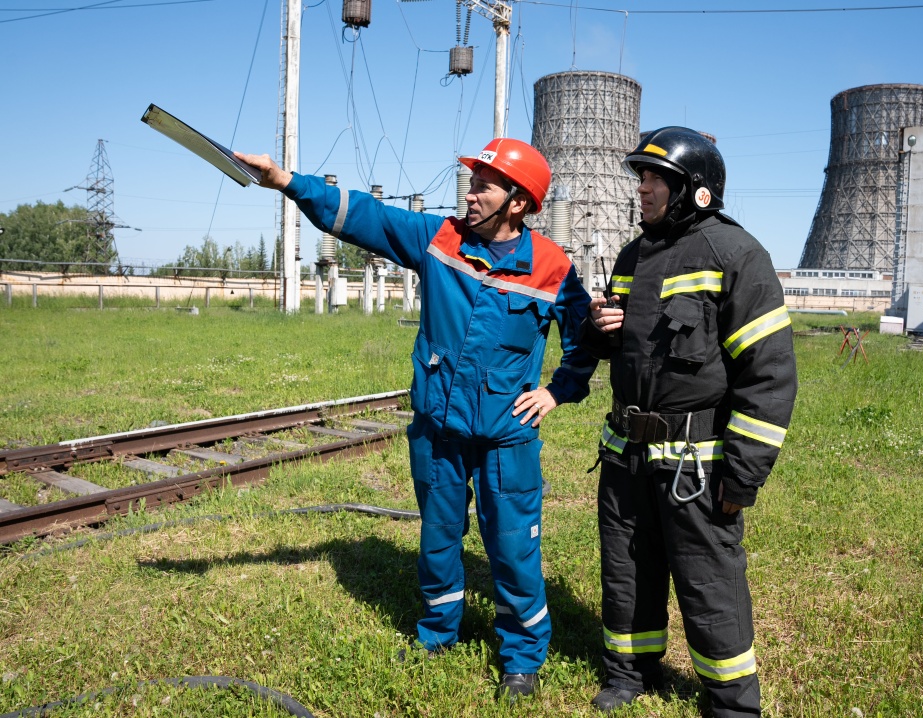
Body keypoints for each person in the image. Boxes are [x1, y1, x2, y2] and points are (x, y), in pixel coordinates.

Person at [235, 139, 598, 701]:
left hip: (507, 439)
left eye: (484, 185)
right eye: (472, 181)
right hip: (437, 430)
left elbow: (587, 339)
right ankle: (437, 635)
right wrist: (287, 181)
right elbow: (363, 216)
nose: (470, 194)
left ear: (518, 203)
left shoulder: (552, 267)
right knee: (437, 540)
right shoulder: (439, 239)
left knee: (514, 547)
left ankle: (522, 656)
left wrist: (557, 391)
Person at [582, 127, 797, 717]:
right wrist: (597, 328)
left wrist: (744, 473)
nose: (642, 191)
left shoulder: (736, 255)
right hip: (626, 458)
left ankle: (730, 704)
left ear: (694, 191)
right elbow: (614, 344)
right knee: (626, 571)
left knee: (709, 585)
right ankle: (628, 673)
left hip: (696, 468)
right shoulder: (632, 256)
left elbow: (769, 374)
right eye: (642, 179)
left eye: (654, 180)